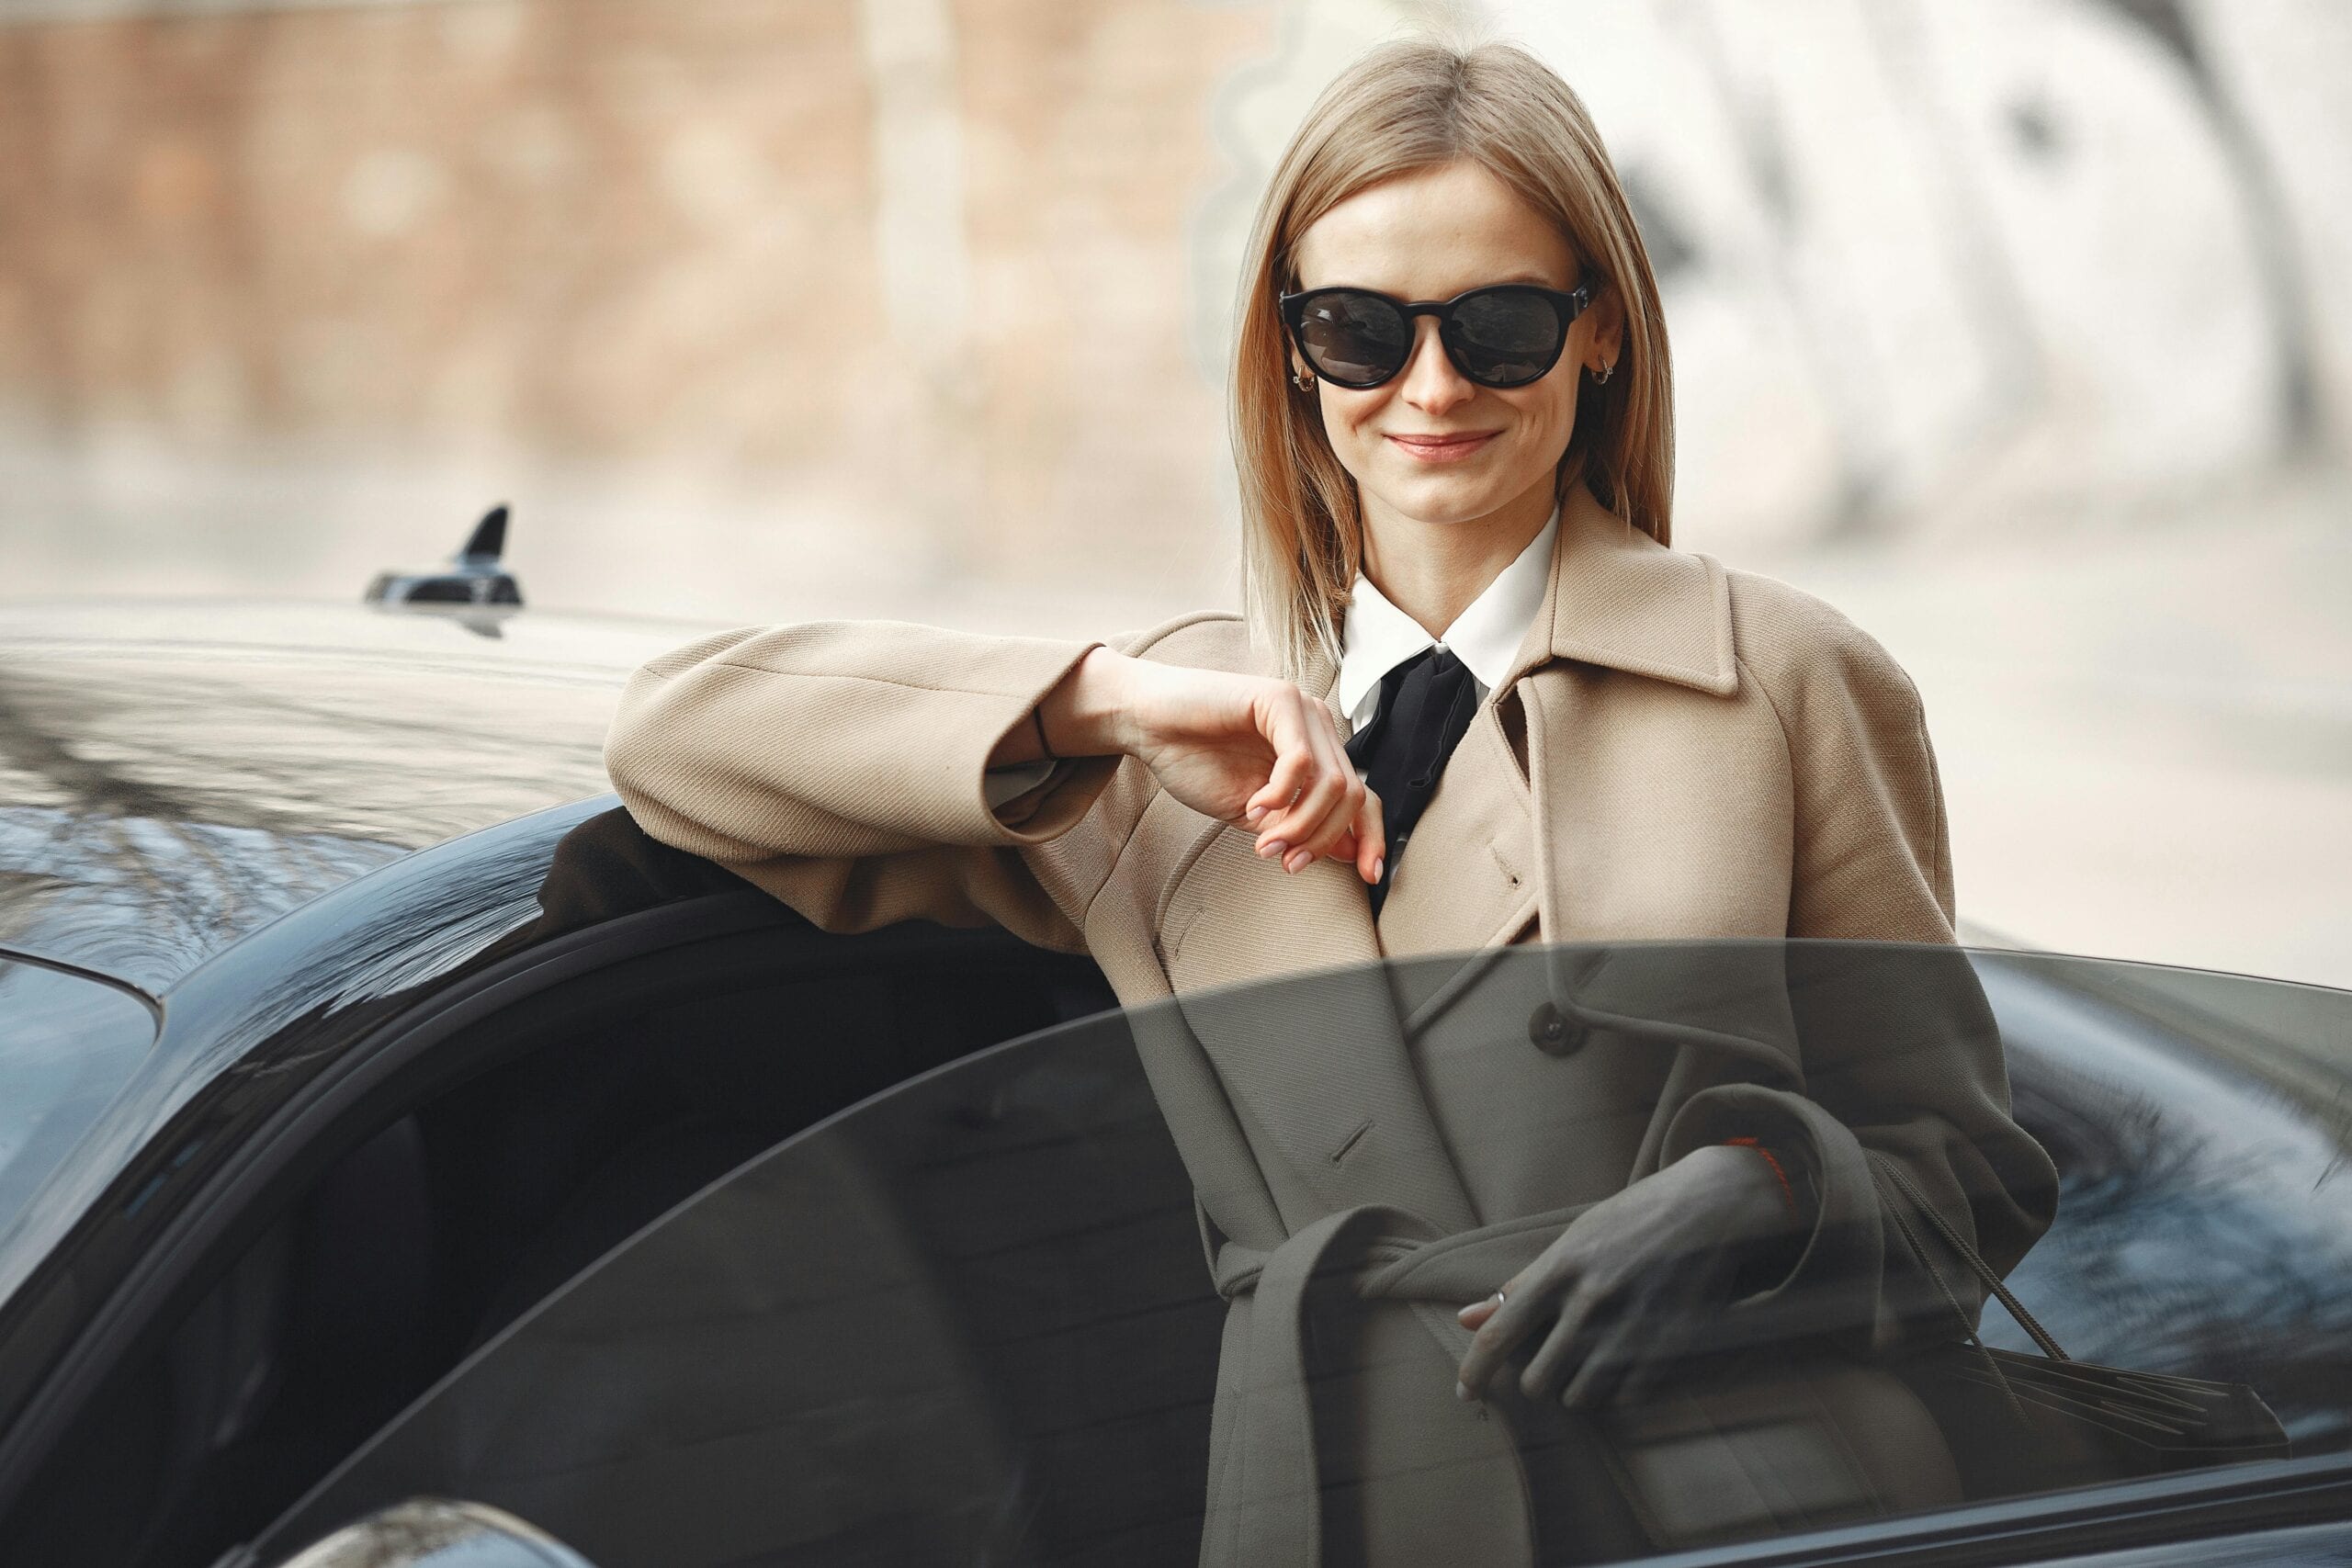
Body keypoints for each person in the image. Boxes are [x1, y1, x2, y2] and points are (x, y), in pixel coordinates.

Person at [604, 37, 2057, 1567]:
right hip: (1337, 1511)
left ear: (1600, 332)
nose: (1432, 387)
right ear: (1292, 348)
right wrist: (1107, 704)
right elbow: (678, 741)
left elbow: (1967, 1172)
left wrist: (1757, 1188)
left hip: (1720, 1503)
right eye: (1359, 329)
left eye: (1499, 326)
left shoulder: (1780, 681)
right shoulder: (1160, 743)